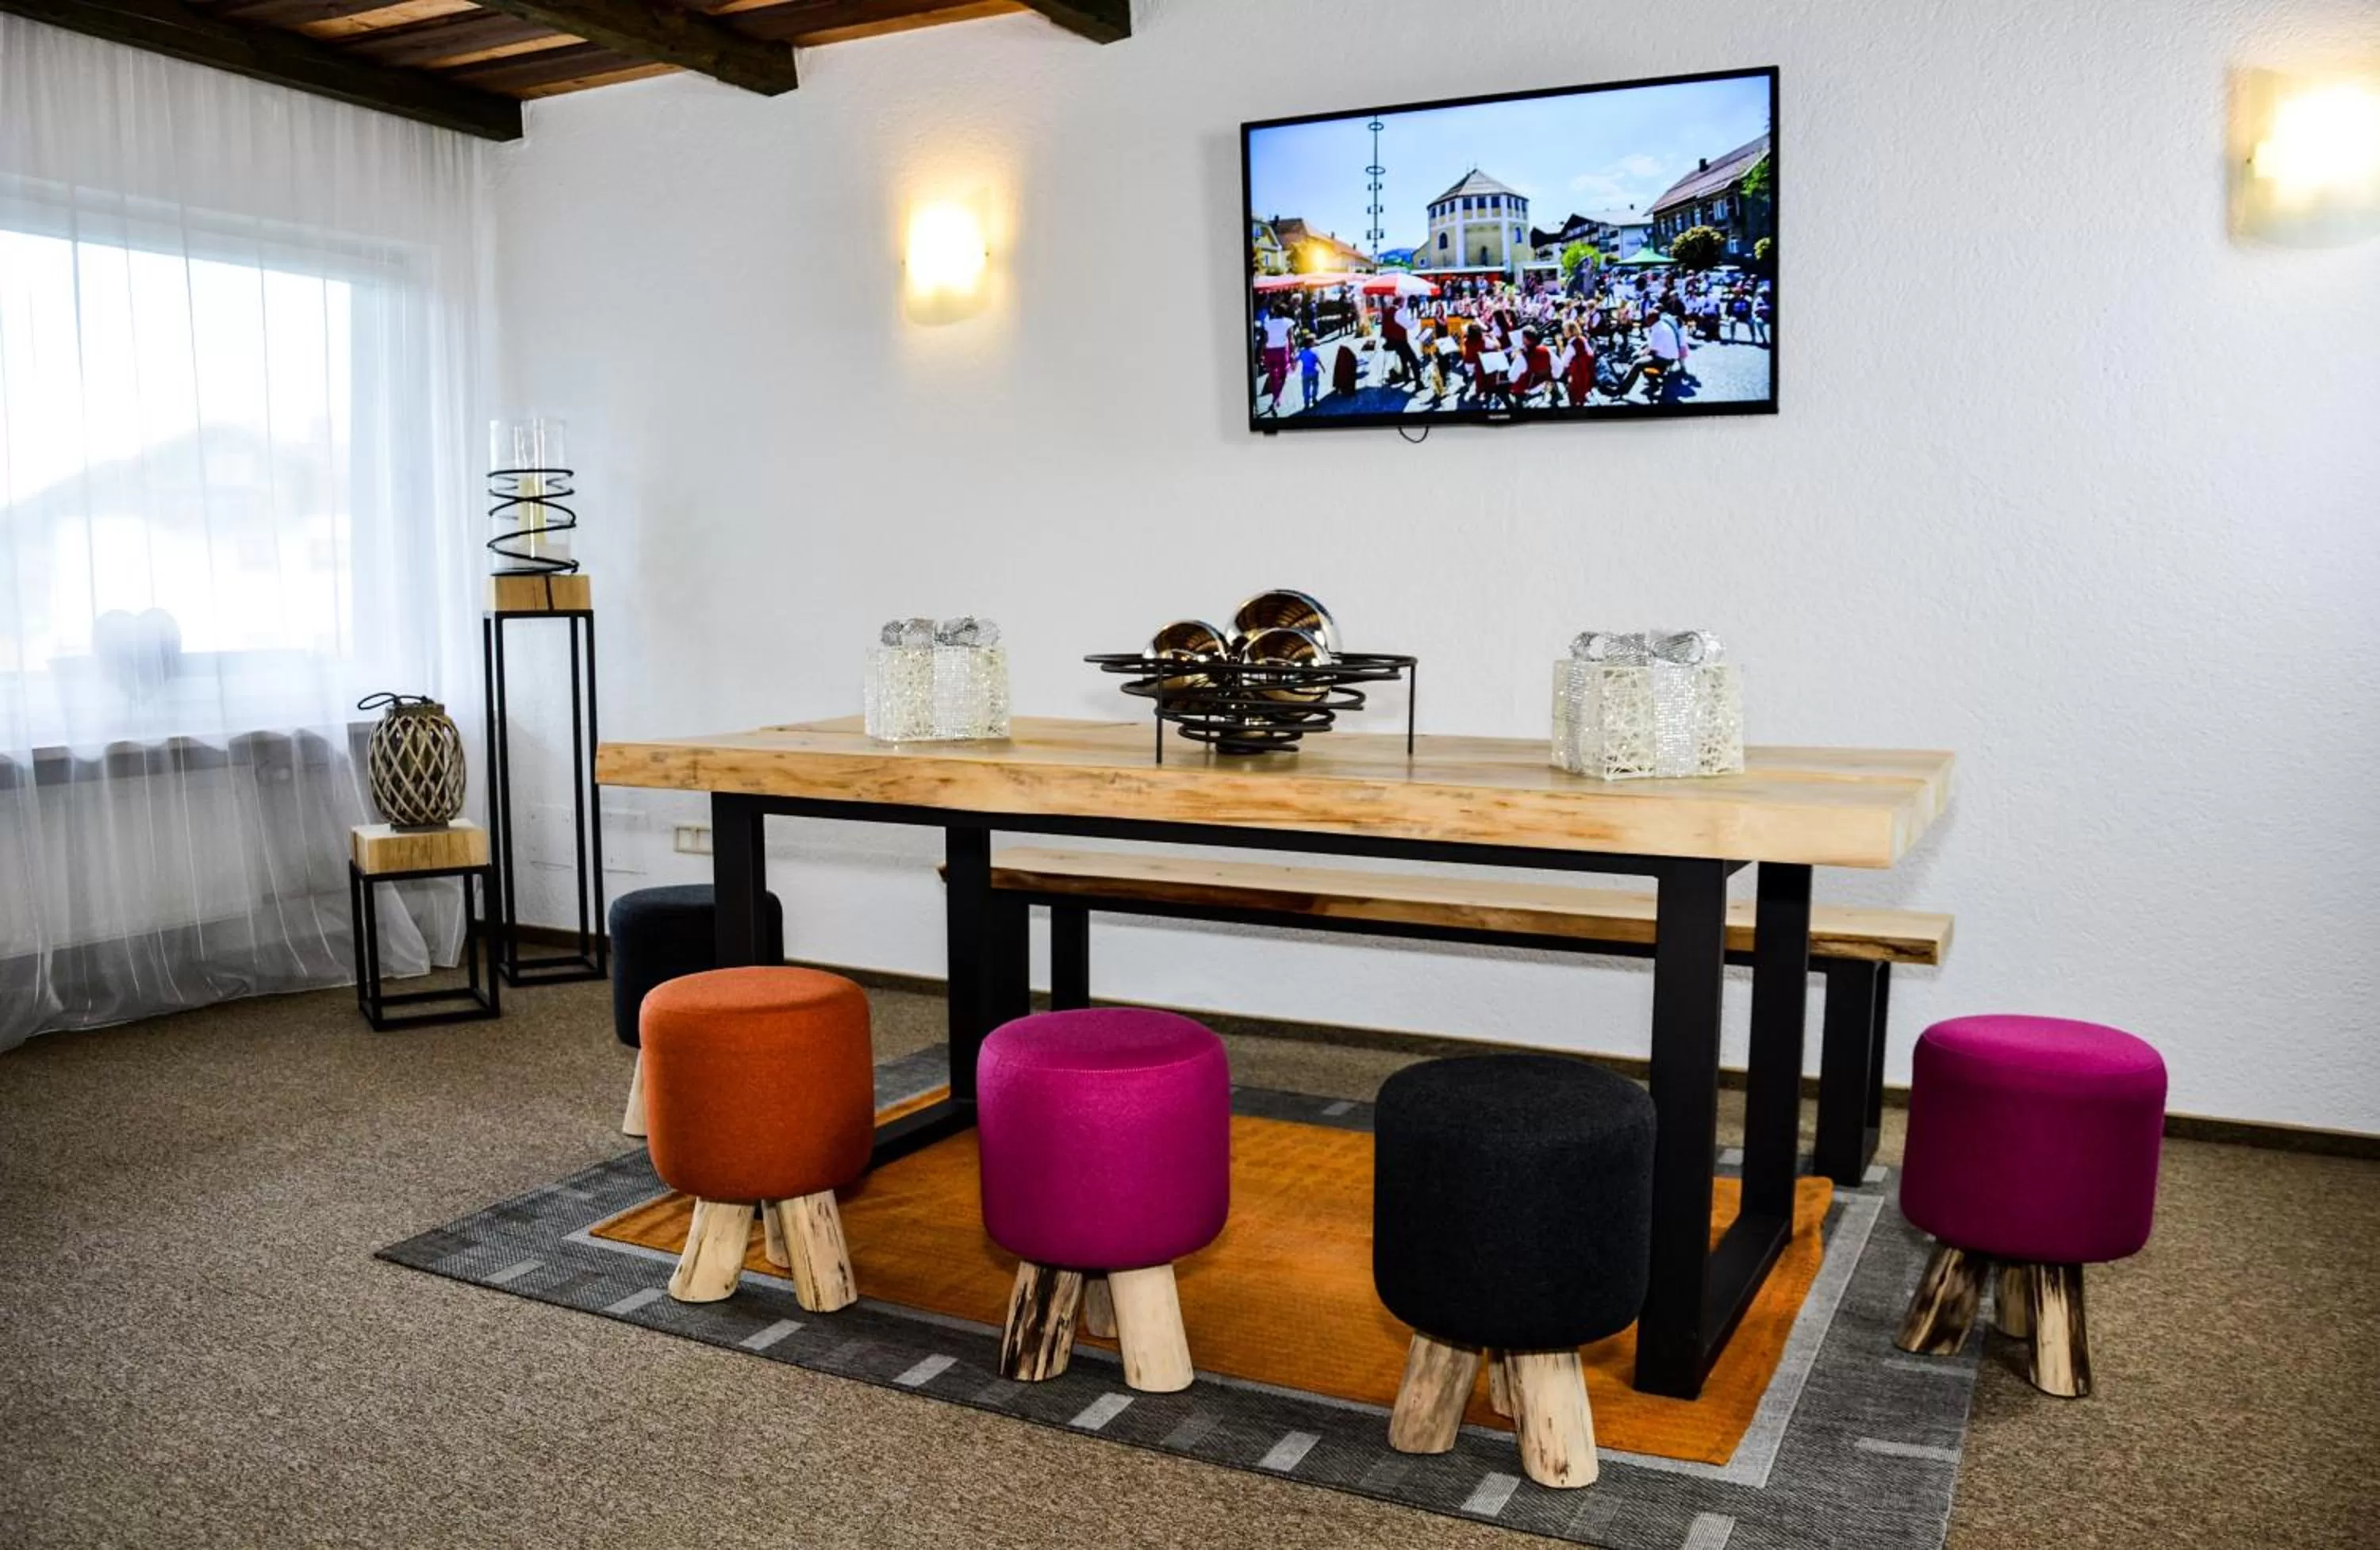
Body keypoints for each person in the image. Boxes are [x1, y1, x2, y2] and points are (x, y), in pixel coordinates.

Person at [1607, 297, 1691, 402]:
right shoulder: (1659, 325)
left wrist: (1640, 355)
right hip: (1666, 355)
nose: (1645, 320)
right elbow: (1651, 345)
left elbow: (1652, 351)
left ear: (1653, 319)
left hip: (1665, 358)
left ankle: (1622, 390)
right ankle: (1653, 383)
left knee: (1637, 363)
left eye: (1647, 318)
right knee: (1637, 357)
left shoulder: (1659, 330)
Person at [1257, 306, 1295, 410]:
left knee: (1272, 375)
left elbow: (1265, 341)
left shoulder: (1268, 324)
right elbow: (1291, 339)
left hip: (1270, 351)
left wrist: (1261, 355)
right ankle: (1277, 397)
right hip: (1282, 351)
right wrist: (1293, 353)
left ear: (1275, 312)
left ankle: (1275, 395)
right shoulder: (1288, 322)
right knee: (1283, 376)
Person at [1384, 294, 1422, 390]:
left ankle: (1406, 377)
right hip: (1400, 340)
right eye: (1404, 301)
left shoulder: (1388, 310)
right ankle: (1419, 383)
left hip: (1393, 340)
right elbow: (1410, 326)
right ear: (1401, 302)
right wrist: (1417, 317)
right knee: (1414, 361)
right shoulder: (1398, 312)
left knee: (1403, 359)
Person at [1296, 331, 1322, 411]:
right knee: (1315, 386)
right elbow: (1318, 360)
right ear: (1310, 343)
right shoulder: (1315, 351)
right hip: (1314, 372)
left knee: (1306, 388)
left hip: (1305, 373)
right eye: (1314, 341)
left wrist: (1292, 366)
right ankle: (1314, 398)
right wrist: (1323, 368)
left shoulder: (1302, 352)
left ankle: (1306, 403)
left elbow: (1296, 359)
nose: (1315, 343)